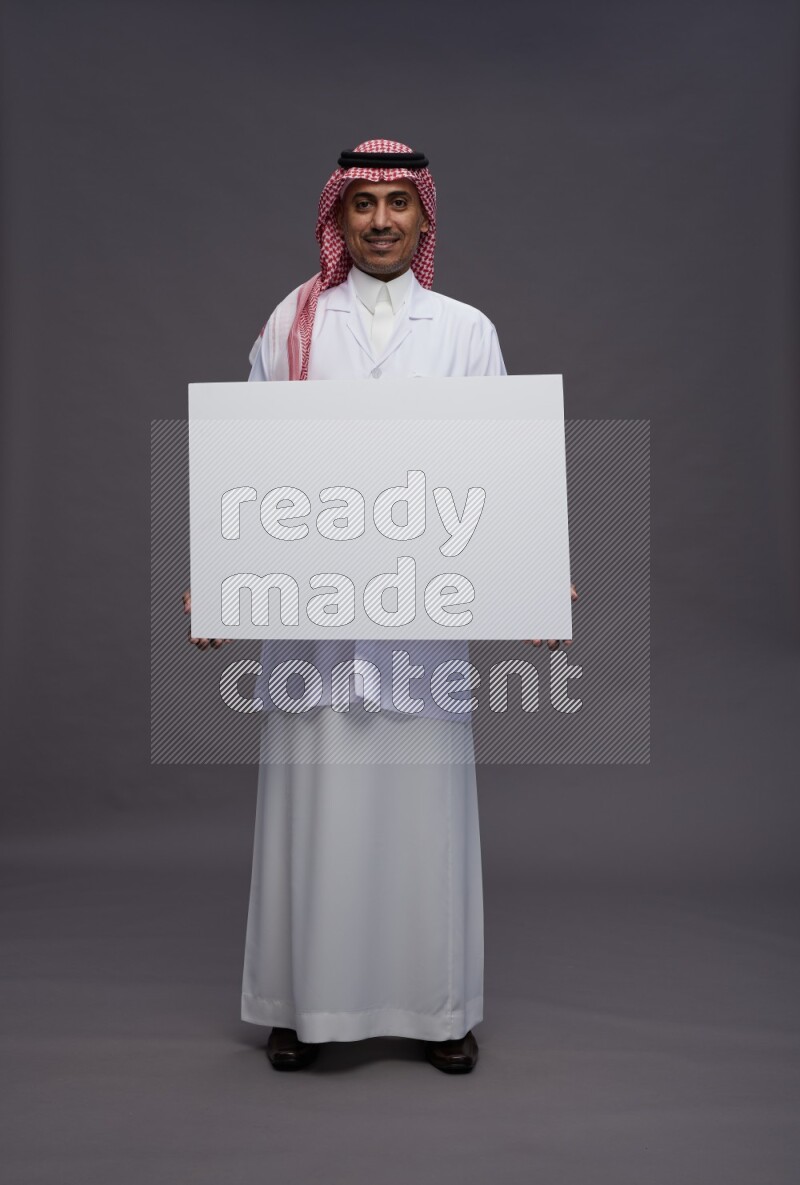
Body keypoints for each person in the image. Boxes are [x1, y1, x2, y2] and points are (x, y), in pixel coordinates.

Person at [184, 138, 575, 1073]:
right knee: (311, 809)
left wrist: (534, 572)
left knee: (421, 816)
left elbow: (500, 467)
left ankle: (439, 1011)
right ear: (340, 216)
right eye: (364, 204)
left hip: (419, 626)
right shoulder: (293, 323)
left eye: (399, 202)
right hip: (312, 624)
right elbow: (251, 463)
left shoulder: (465, 331)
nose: (382, 221)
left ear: (424, 216)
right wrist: (220, 574)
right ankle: (297, 1005)